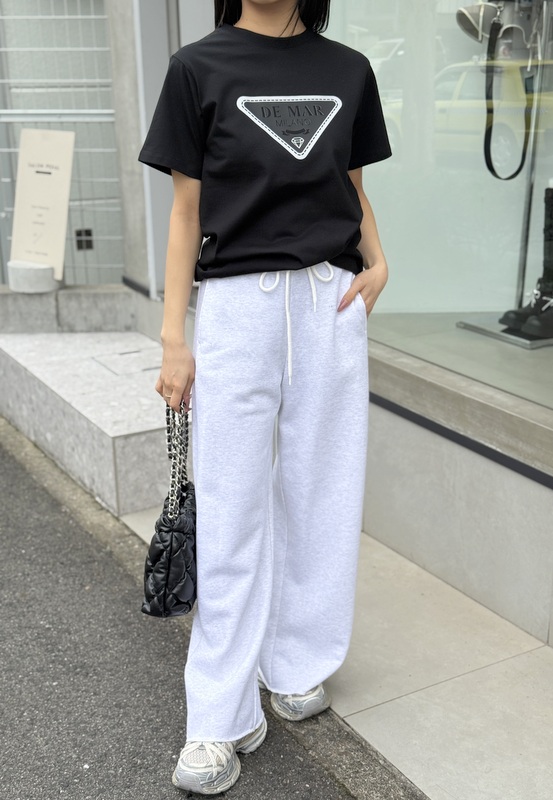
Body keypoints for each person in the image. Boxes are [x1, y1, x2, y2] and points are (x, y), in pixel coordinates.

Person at [139, 0, 391, 794]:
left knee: (322, 492)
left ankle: (297, 661)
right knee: (231, 505)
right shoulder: (196, 68)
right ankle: (218, 717)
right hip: (236, 310)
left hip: (327, 300)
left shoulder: (346, 69)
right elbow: (186, 210)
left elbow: (348, 183)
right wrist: (173, 336)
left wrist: (377, 260)